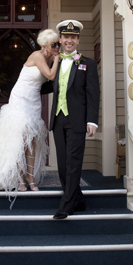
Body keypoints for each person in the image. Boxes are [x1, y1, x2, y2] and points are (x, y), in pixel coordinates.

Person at [0, 29, 60, 193]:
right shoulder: (38, 56)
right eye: (54, 45)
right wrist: (58, 58)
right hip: (21, 99)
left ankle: (30, 177)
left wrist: (58, 58)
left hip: (34, 100)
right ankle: (19, 177)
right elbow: (51, 76)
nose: (57, 47)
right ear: (44, 45)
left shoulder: (50, 56)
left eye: (58, 44)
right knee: (21, 140)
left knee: (33, 140)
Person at [41, 19, 100, 219]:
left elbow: (93, 94)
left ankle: (65, 206)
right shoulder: (55, 62)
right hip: (58, 120)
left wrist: (92, 121)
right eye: (66, 37)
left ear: (77, 40)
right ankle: (78, 200)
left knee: (74, 163)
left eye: (73, 37)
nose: (69, 40)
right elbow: (46, 85)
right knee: (64, 166)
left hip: (77, 120)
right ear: (61, 39)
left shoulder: (87, 64)